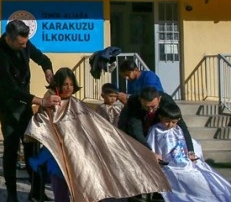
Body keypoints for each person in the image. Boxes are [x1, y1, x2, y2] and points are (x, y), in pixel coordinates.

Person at [26, 68, 170, 202]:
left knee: (88, 175)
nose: (68, 87)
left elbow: (96, 126)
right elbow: (41, 127)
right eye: (65, 84)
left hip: (80, 151)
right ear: (57, 85)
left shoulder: (77, 104)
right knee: (59, 179)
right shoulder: (49, 103)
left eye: (71, 84)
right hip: (58, 153)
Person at [0, 19, 59, 202]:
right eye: (20, 44)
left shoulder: (24, 43)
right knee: (11, 148)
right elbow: (10, 88)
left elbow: (43, 59)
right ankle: (11, 194)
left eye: (25, 42)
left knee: (32, 149)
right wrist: (41, 101)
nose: (24, 46)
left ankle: (36, 191)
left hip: (24, 105)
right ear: (10, 39)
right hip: (8, 106)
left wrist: (48, 71)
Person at [147, 103, 231, 202]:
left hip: (187, 163)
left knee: (209, 181)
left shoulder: (179, 129)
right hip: (170, 166)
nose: (170, 125)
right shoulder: (155, 130)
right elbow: (152, 148)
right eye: (167, 121)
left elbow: (191, 145)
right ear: (160, 117)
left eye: (174, 122)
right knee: (190, 183)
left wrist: (193, 156)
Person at [118, 86, 195, 160]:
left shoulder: (167, 101)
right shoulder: (133, 102)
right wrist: (149, 151)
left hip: (155, 122)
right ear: (140, 100)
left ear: (159, 99)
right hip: (129, 125)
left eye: (153, 106)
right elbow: (136, 130)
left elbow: (181, 124)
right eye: (147, 107)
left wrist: (190, 150)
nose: (150, 110)